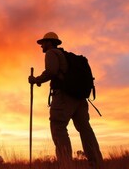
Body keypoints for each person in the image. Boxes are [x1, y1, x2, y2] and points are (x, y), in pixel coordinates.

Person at [28, 32, 104, 169]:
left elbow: (51, 71)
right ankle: (97, 163)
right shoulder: (67, 56)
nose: (42, 46)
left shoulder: (51, 53)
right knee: (85, 129)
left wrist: (36, 80)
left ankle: (65, 164)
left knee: (58, 126)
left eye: (43, 43)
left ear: (50, 43)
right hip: (79, 98)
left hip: (64, 97)